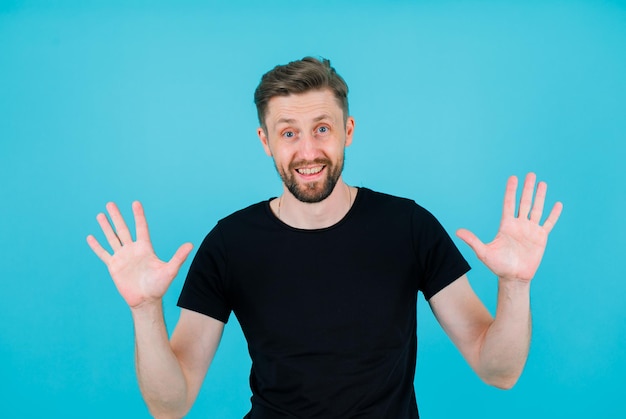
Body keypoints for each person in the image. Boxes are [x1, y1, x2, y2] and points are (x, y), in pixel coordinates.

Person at [86, 57, 563, 418]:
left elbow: (498, 370)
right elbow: (172, 403)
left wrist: (515, 286)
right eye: (288, 133)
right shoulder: (230, 244)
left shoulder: (408, 226)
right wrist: (146, 310)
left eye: (321, 128)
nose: (307, 150)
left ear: (347, 131)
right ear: (265, 142)